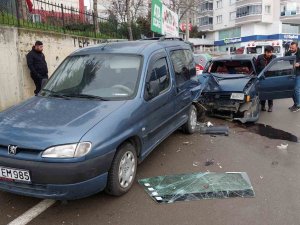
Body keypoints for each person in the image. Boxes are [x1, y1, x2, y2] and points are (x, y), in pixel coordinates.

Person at [256, 45, 276, 112]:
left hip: (271, 77)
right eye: (268, 52)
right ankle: (263, 106)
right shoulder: (260, 57)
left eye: (271, 52)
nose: (269, 54)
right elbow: (256, 67)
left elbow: (276, 67)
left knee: (270, 92)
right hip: (262, 77)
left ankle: (270, 106)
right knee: (263, 91)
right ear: (265, 52)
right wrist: (259, 75)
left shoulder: (274, 57)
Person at [285, 41, 300, 112]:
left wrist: (299, 64)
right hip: (290, 74)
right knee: (292, 90)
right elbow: (283, 61)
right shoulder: (288, 53)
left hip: (298, 73)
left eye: (293, 48)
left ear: (296, 47)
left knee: (296, 89)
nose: (291, 49)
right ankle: (295, 104)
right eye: (290, 47)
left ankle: (298, 105)